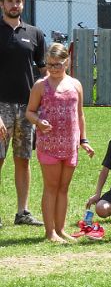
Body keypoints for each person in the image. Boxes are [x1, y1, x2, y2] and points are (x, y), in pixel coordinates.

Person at [25, 42, 94, 243]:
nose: (53, 68)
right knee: (51, 187)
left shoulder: (75, 85)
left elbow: (80, 114)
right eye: (50, 64)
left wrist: (83, 140)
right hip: (49, 144)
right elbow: (30, 111)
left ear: (67, 62)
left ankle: (61, 229)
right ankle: (50, 232)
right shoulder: (40, 85)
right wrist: (39, 121)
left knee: (64, 188)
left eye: (58, 64)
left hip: (70, 145)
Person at [0, 0, 45, 228]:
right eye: (10, 1)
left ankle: (22, 212)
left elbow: (44, 71)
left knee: (23, 159)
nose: (14, 5)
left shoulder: (35, 33)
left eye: (18, 1)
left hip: (27, 108)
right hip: (1, 107)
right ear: (2, 4)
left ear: (23, 3)